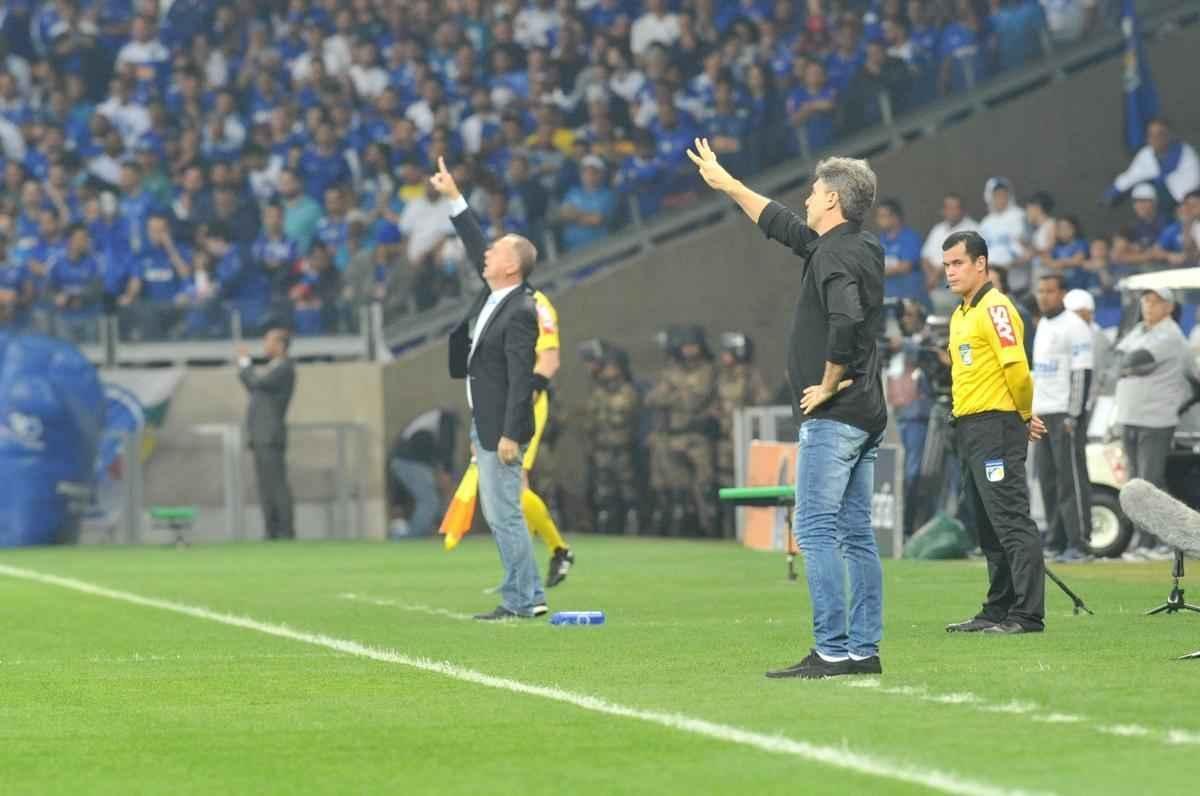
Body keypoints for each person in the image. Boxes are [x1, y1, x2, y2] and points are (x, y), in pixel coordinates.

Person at [689, 139, 886, 679]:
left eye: (814, 193)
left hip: (837, 412)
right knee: (856, 534)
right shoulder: (857, 246)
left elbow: (844, 319)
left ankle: (830, 649)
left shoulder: (834, 255)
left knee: (817, 529)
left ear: (833, 201)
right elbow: (780, 224)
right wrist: (728, 184)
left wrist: (826, 383)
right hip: (867, 409)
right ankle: (862, 650)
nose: (806, 199)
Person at [431, 156, 545, 621]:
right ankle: (522, 593)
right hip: (487, 422)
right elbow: (474, 240)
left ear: (512, 267)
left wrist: (511, 433)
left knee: (504, 515)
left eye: (498, 250)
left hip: (502, 426)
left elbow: (523, 377)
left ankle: (525, 597)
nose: (488, 253)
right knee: (500, 514)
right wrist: (454, 196)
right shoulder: (496, 295)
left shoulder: (520, 309)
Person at [942, 231, 1047, 634]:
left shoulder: (997, 308)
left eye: (958, 263)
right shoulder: (960, 313)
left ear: (981, 264)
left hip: (995, 427)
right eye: (947, 264)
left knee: (1010, 518)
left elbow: (1017, 369)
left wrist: (1022, 414)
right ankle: (997, 608)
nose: (950, 271)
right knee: (987, 523)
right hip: (970, 427)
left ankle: (1027, 614)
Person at [1114, 287, 1196, 560]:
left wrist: (1124, 365)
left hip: (1155, 418)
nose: (1148, 305)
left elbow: (1135, 359)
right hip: (1130, 415)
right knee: (1133, 482)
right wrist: (1123, 365)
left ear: (1169, 307)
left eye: (1156, 301)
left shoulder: (1170, 335)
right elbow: (1118, 359)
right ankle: (1144, 541)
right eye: (1146, 300)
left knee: (1148, 483)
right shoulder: (1140, 330)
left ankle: (1155, 543)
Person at [1031, 273, 1094, 563]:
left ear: (1062, 294)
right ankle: (1056, 540)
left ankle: (1079, 542)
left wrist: (1073, 414)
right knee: (1047, 479)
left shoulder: (1076, 326)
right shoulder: (1043, 324)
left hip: (1065, 414)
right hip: (1042, 412)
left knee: (1070, 479)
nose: (1044, 296)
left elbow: (1081, 373)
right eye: (1041, 291)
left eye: (1050, 291)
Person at [522, 284, 576, 587]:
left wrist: (526, 395)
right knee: (510, 490)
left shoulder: (535, 302)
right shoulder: (494, 300)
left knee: (512, 486)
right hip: (499, 401)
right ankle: (526, 567)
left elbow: (549, 357)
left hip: (523, 401)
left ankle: (558, 549)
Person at [645, 325, 719, 537]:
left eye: (692, 345)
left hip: (698, 437)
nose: (688, 350)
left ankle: (712, 533)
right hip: (674, 436)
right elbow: (652, 398)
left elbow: (694, 399)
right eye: (685, 346)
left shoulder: (708, 369)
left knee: (705, 488)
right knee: (679, 491)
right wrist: (676, 395)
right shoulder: (672, 369)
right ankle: (686, 533)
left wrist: (672, 394)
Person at [237, 324, 296, 540]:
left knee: (277, 486)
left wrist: (244, 363)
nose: (265, 345)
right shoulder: (275, 367)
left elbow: (257, 383)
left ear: (280, 345)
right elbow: (255, 386)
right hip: (262, 435)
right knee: (266, 487)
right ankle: (271, 531)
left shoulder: (284, 368)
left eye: (269, 341)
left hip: (270, 435)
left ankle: (285, 531)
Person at [582, 340, 642, 535]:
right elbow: (590, 421)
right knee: (604, 494)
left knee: (629, 492)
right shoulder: (598, 392)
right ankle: (606, 530)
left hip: (623, 449)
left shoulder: (627, 391)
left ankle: (633, 530)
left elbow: (628, 418)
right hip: (601, 450)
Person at [714, 331, 770, 536]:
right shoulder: (722, 377)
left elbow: (762, 403)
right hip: (725, 440)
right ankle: (729, 532)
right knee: (725, 484)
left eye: (727, 352)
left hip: (743, 440)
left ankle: (749, 530)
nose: (723, 356)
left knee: (746, 483)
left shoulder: (750, 377)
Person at [389, 409, 458, 538]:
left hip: (404, 461)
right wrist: (446, 472)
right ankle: (413, 538)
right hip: (408, 462)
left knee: (431, 501)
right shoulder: (445, 420)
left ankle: (423, 533)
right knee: (430, 501)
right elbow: (446, 448)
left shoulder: (428, 421)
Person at [1104, 119, 1200, 209]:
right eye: (1151, 135)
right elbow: (1131, 176)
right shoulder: (1146, 153)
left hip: (1190, 202)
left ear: (1169, 135)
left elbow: (1163, 173)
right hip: (1168, 202)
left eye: (1160, 134)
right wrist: (1113, 192)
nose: (1155, 139)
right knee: (1142, 190)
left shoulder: (1183, 151)